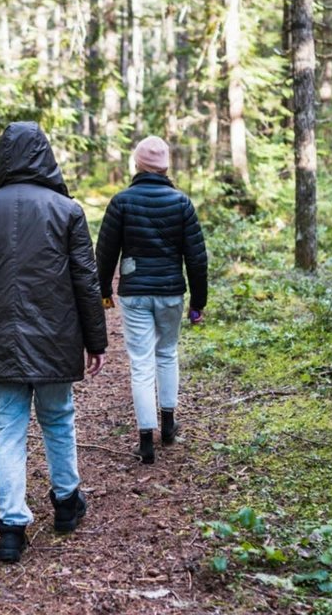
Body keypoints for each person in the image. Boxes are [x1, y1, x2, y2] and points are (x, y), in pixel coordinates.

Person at [0, 122, 107, 563]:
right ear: (46, 157)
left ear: (1, 158)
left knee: (9, 431)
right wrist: (96, 340)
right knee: (58, 419)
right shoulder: (67, 210)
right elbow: (85, 282)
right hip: (56, 338)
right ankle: (66, 503)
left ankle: (12, 528)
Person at [96, 136, 208, 465]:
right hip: (172, 291)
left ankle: (146, 441)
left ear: (137, 164)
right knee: (167, 353)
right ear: (165, 166)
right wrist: (197, 302)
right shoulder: (181, 203)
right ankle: (169, 426)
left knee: (141, 363)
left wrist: (104, 292)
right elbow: (197, 259)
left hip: (134, 294)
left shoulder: (121, 202)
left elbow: (104, 254)